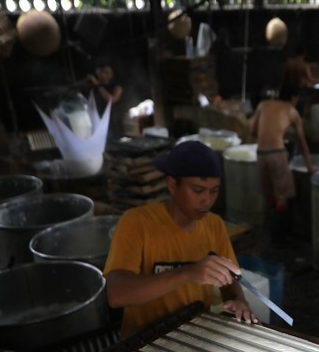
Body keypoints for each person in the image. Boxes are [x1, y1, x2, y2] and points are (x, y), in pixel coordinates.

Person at [103, 141, 257, 339]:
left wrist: (237, 300)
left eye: (214, 191)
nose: (207, 201)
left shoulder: (214, 225)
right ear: (172, 185)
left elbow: (229, 280)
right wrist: (189, 273)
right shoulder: (136, 223)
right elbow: (117, 294)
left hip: (195, 338)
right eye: (198, 190)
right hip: (143, 342)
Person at [250, 83, 315, 244]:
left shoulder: (263, 104)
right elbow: (302, 142)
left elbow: (252, 131)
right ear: (294, 98)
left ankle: (271, 234)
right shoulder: (292, 111)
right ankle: (281, 240)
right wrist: (310, 167)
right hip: (277, 154)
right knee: (285, 196)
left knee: (270, 194)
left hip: (261, 154)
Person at [87, 59, 123, 137]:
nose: (105, 75)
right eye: (103, 72)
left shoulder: (117, 87)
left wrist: (97, 84)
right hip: (97, 122)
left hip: (112, 123)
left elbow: (112, 100)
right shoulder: (93, 88)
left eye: (108, 73)